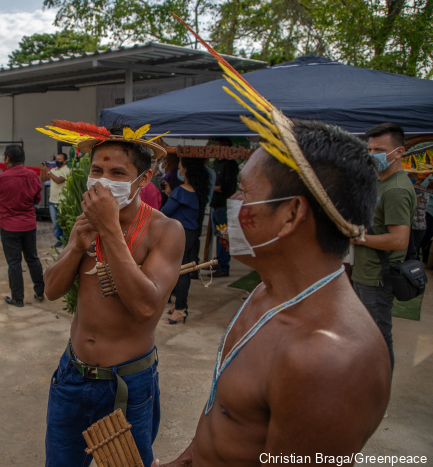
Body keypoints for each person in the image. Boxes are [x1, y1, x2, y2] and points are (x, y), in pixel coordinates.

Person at [154, 35, 390, 465]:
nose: (233, 204)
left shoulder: (326, 360)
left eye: (244, 191)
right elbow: (220, 423)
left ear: (291, 214)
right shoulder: (268, 292)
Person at [37, 120, 185, 467]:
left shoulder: (166, 231)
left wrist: (110, 231)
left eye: (118, 172)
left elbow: (146, 308)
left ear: (143, 180)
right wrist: (75, 247)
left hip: (127, 383)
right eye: (97, 170)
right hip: (72, 374)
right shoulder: (84, 223)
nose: (103, 180)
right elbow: (51, 290)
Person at [351, 123, 416, 371]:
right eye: (369, 149)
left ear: (398, 152)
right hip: (365, 273)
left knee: (378, 340)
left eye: (379, 149)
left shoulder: (397, 189)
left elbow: (399, 240)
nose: (372, 155)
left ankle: (379, 399)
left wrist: (358, 238)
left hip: (379, 278)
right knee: (364, 338)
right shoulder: (380, 182)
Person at [0, 145, 45, 307]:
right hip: (29, 225)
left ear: (7, 159)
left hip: (8, 227)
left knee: (14, 263)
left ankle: (17, 298)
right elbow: (37, 199)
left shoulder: (0, 178)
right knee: (33, 258)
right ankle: (40, 292)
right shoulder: (32, 176)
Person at [161, 157, 211, 324]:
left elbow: (165, 212)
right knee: (186, 271)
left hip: (179, 235)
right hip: (191, 234)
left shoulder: (181, 191)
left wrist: (169, 196)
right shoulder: (197, 191)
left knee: (179, 273)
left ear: (185, 171)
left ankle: (181, 309)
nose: (178, 169)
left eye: (180, 167)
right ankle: (179, 306)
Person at [209, 138, 239, 277]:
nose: (215, 150)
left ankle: (223, 266)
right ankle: (218, 262)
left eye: (217, 147)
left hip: (223, 205)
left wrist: (212, 188)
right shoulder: (219, 164)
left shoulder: (230, 165)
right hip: (216, 205)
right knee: (218, 235)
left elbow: (227, 187)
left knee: (224, 236)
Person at [40, 152, 71, 247]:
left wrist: (48, 171)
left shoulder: (66, 171)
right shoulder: (53, 170)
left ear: (65, 161)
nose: (57, 161)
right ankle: (60, 239)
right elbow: (44, 179)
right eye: (56, 159)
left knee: (63, 222)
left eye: (59, 159)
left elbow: (58, 181)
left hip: (62, 201)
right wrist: (42, 170)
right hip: (52, 201)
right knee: (55, 223)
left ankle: (66, 239)